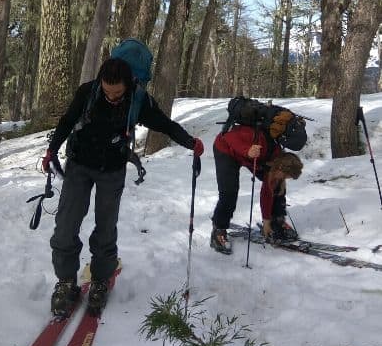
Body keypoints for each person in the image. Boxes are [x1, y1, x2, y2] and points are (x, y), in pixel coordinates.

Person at [41, 56, 204, 316]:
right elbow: (67, 121)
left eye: (117, 93)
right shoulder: (88, 92)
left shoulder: (138, 101)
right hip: (79, 165)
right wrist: (51, 151)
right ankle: (66, 282)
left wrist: (189, 142)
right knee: (65, 226)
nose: (112, 97)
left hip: (112, 170)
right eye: (107, 92)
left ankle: (100, 281)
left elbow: (165, 125)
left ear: (128, 85)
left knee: (105, 227)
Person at [210, 123, 303, 254]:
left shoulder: (276, 156)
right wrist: (246, 150)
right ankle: (218, 230)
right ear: (281, 168)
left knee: (277, 186)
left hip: (250, 157)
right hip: (226, 149)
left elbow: (267, 191)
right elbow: (228, 136)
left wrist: (267, 221)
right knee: (229, 193)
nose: (285, 178)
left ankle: (277, 221)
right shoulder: (260, 143)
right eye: (286, 176)